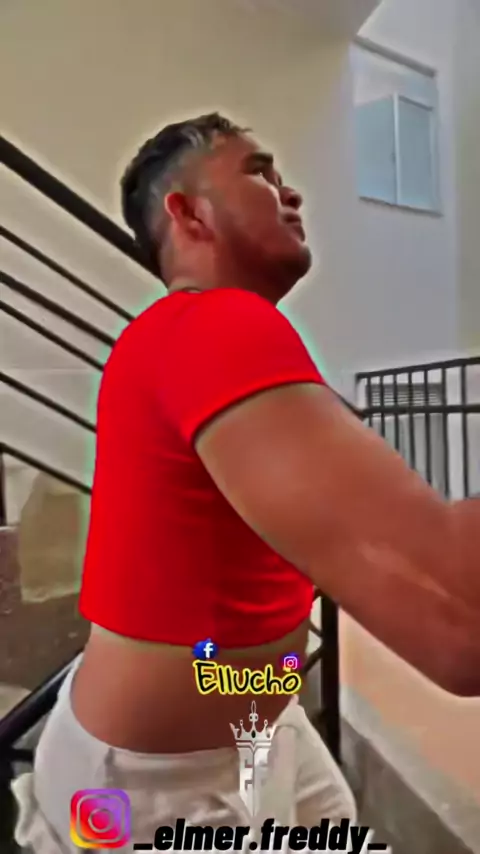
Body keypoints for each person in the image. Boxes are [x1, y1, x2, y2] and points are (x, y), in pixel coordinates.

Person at [12, 112, 480, 853]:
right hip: (154, 789)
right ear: (188, 212)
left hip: (261, 731)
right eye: (258, 172)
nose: (290, 192)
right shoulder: (210, 327)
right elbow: (460, 619)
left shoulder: (201, 342)